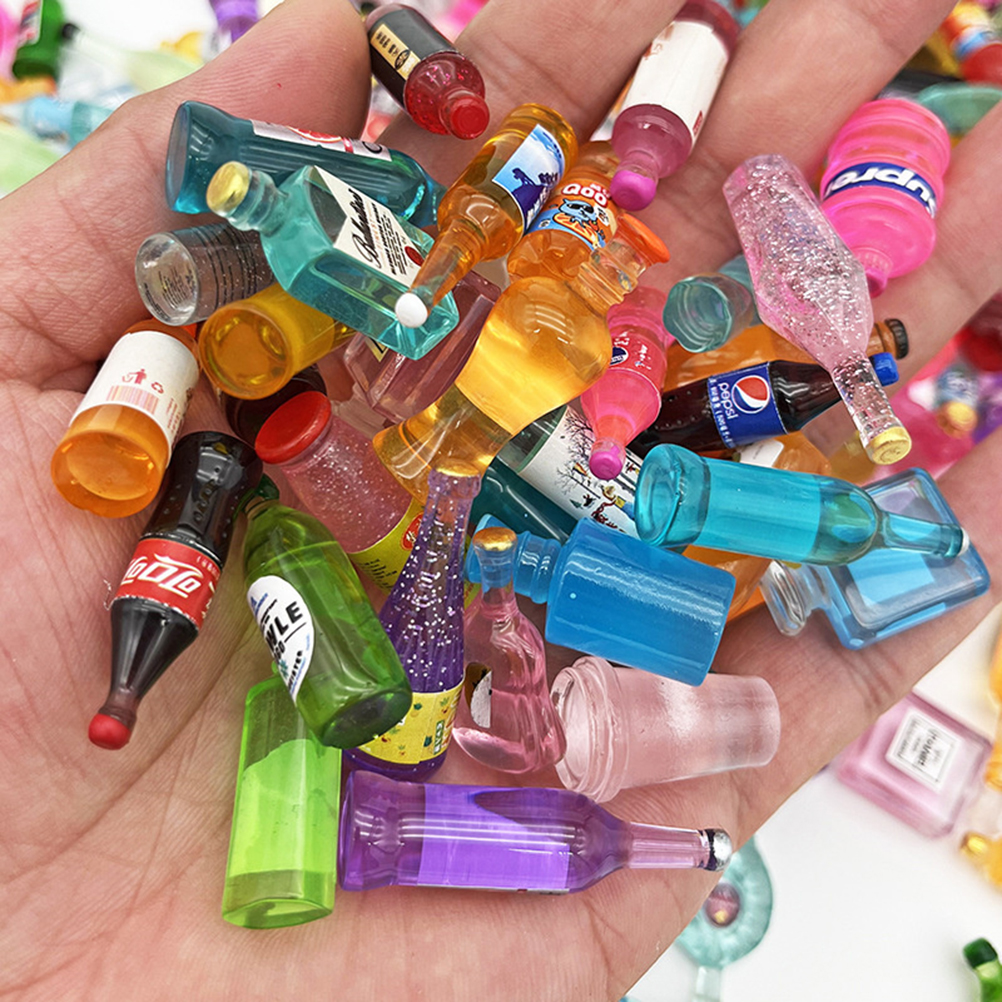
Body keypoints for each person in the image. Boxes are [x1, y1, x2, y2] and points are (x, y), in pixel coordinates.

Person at [1, 0, 1000, 998]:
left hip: (548, 501)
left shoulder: (564, 403)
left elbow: (512, 464)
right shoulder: (458, 360)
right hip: (479, 490)